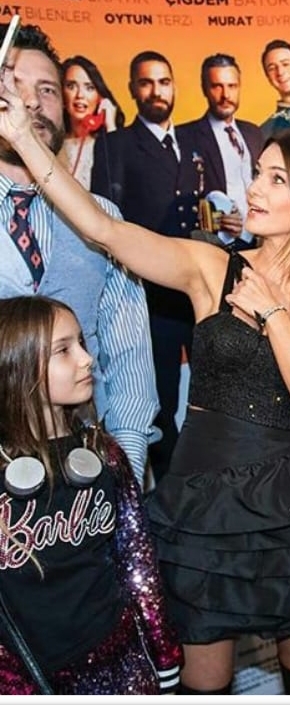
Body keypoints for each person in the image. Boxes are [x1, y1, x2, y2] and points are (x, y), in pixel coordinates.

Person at [0, 79, 290, 696]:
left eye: (276, 179)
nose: (253, 188)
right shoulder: (211, 267)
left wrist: (274, 314)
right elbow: (103, 230)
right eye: (258, 173)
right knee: (205, 683)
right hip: (204, 503)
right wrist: (21, 137)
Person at [0, 22, 157, 485]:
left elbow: (128, 359)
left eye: (47, 89)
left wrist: (125, 477)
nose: (31, 102)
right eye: (13, 84)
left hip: (86, 473)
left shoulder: (102, 217)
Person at [0, 294, 181, 694]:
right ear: (16, 365)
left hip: (122, 663)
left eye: (81, 342)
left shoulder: (104, 453)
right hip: (30, 678)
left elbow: (136, 560)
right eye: (63, 350)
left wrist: (163, 655)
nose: (87, 359)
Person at [94, 50, 204, 483]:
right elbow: (104, 220)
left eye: (164, 81)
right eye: (146, 82)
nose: (157, 90)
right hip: (149, 298)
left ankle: (204, 482)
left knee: (210, 395)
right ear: (132, 90)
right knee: (158, 400)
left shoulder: (194, 142)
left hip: (199, 294)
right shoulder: (115, 145)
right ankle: (169, 487)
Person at [177, 53, 263, 249]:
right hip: (217, 246)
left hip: (259, 242)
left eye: (232, 86)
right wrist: (215, 220)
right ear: (204, 89)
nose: (226, 95)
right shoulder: (185, 136)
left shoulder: (253, 132)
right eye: (217, 86)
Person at [60, 55, 125, 190]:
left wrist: (110, 127)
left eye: (89, 88)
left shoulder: (107, 144)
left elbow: (120, 186)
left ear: (99, 97)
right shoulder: (52, 144)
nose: (80, 95)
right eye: (71, 86)